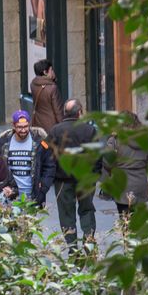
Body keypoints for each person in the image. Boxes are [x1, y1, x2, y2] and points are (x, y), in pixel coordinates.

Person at [49, 99, 100, 250]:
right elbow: (97, 155)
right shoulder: (90, 130)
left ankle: (72, 247)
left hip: (63, 181)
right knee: (87, 209)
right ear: (80, 112)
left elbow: (46, 151)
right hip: (85, 179)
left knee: (66, 214)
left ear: (65, 112)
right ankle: (88, 240)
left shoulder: (55, 130)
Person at [0, 110, 57, 206]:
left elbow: (50, 166)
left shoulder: (40, 142)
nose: (23, 130)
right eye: (19, 127)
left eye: (25, 126)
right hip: (9, 197)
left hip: (32, 198)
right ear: (13, 126)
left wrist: (43, 187)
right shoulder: (4, 141)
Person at [111, 110, 148, 214]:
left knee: (124, 218)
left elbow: (107, 161)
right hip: (140, 182)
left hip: (122, 183)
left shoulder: (115, 140)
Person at [29, 59, 62, 131]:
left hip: (38, 122)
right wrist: (62, 126)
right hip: (51, 125)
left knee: (42, 142)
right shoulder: (52, 88)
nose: (53, 72)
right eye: (51, 70)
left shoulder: (33, 84)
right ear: (45, 72)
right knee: (50, 142)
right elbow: (57, 111)